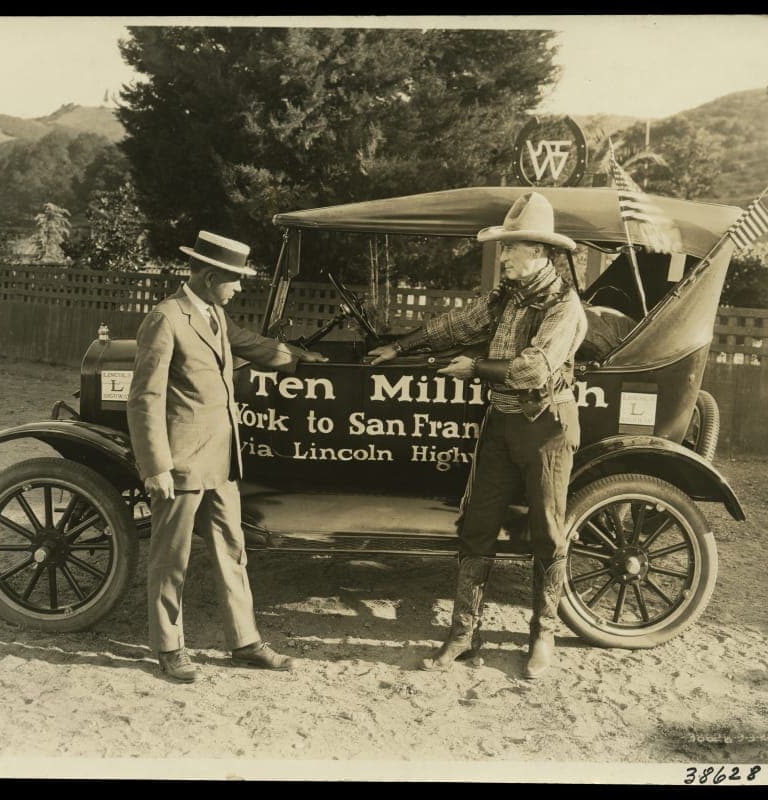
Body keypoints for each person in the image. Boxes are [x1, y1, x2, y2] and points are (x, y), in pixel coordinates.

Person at [369, 192, 587, 679]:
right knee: (476, 527)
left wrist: (476, 369)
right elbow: (458, 324)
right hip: (502, 426)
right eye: (505, 248)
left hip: (547, 429)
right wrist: (398, 346)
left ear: (540, 254)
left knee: (548, 534)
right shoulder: (507, 296)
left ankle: (543, 637)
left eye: (512, 249)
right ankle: (463, 635)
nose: (503, 257)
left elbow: (534, 369)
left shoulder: (564, 305)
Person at [127, 230, 328, 683]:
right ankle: (168, 647)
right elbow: (144, 399)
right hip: (180, 464)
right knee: (170, 558)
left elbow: (253, 345)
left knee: (232, 552)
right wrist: (155, 466)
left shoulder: (214, 313)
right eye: (234, 280)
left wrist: (303, 357)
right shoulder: (166, 319)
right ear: (211, 275)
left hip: (221, 462)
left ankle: (245, 641)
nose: (239, 288)